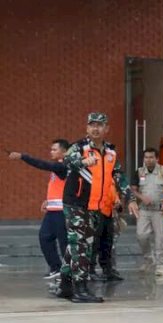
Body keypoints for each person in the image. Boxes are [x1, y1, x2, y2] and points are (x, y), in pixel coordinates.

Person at [54, 112, 139, 303]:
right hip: (76, 203)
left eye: (100, 125)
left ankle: (65, 285)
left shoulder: (110, 152)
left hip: (96, 207)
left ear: (106, 129)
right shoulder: (79, 147)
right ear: (86, 128)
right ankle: (80, 289)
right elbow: (68, 160)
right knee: (81, 245)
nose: (95, 128)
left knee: (75, 244)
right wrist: (82, 162)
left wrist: (130, 198)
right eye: (92, 125)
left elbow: (119, 177)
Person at [8, 139, 70, 279]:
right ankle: (56, 268)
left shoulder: (64, 166)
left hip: (62, 212)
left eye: (55, 149)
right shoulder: (58, 167)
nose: (51, 152)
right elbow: (60, 187)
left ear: (65, 151)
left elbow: (42, 164)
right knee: (45, 237)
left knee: (64, 242)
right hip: (52, 211)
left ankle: (69, 271)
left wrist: (23, 156)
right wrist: (48, 200)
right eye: (51, 149)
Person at [132, 148, 163, 277]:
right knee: (141, 235)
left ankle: (160, 265)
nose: (148, 160)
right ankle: (149, 259)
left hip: (159, 210)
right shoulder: (139, 172)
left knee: (160, 238)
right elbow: (133, 189)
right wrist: (141, 198)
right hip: (144, 210)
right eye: (146, 157)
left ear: (157, 158)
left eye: (151, 157)